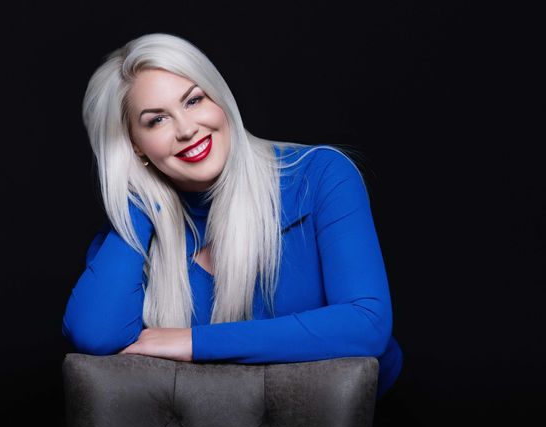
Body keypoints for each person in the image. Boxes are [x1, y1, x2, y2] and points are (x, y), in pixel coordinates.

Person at [62, 32, 404, 402]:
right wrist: (140, 194)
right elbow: (95, 334)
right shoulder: (138, 227)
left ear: (219, 97)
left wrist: (194, 342)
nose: (186, 129)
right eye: (157, 120)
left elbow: (367, 325)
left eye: (194, 100)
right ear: (134, 146)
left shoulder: (319, 176)